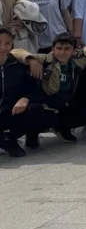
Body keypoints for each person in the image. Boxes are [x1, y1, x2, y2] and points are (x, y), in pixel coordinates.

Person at [12, 32, 86, 145]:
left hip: (68, 99)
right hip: (49, 99)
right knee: (34, 109)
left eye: (67, 49)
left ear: (73, 50)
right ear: (53, 48)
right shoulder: (47, 59)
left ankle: (62, 128)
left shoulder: (76, 61)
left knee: (83, 105)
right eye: (59, 48)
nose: (62, 52)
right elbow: (15, 52)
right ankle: (32, 134)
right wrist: (31, 59)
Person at [0, 27, 55, 157]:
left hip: (12, 111)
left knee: (37, 109)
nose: (3, 47)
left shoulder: (18, 65)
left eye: (7, 43)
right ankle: (7, 142)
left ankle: (11, 138)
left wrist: (25, 98)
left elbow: (34, 90)